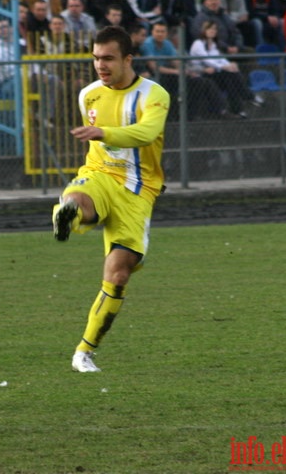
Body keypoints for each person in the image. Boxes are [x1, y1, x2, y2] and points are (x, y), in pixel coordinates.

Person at [51, 26, 170, 374]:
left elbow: (147, 133)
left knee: (118, 276)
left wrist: (105, 132)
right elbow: (95, 147)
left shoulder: (154, 94)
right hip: (100, 173)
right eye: (95, 58)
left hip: (139, 189)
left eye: (108, 58)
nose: (100, 65)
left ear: (128, 59)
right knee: (78, 198)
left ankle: (83, 352)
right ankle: (67, 214)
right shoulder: (88, 95)